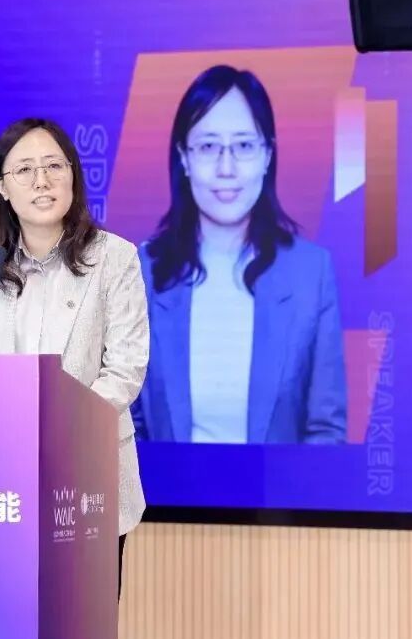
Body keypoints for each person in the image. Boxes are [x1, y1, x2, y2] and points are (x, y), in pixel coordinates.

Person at [0, 117, 148, 601]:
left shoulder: (114, 258)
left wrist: (59, 430)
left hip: (85, 478)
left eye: (54, 166)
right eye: (25, 170)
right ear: (1, 187)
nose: (42, 181)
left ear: (73, 174)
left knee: (77, 625)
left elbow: (125, 368)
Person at [132, 64, 348, 445]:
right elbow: (128, 427)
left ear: (267, 155)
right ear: (184, 158)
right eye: (208, 147)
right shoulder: (141, 273)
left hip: (279, 487)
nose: (226, 168)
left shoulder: (309, 273)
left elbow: (325, 431)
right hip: (168, 486)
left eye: (244, 146)